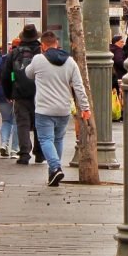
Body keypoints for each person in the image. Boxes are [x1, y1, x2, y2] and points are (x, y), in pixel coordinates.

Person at [24, 30, 90, 187]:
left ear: (43, 45)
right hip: (63, 109)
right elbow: (79, 87)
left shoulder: (38, 59)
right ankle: (52, 175)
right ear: (57, 44)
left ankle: (55, 167)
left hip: (44, 109)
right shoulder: (70, 62)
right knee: (58, 139)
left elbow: (28, 74)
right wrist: (85, 107)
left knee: (46, 139)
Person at [1, 24, 44, 165]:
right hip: (40, 93)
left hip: (20, 93)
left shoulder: (15, 53)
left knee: (22, 124)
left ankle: (24, 153)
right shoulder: (41, 52)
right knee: (39, 123)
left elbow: (6, 75)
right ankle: (39, 153)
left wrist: (9, 93)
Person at [0, 39, 19, 158]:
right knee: (17, 122)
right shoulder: (22, 59)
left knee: (6, 120)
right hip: (17, 94)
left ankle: (4, 144)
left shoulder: (1, 60)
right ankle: (14, 150)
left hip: (1, 94)